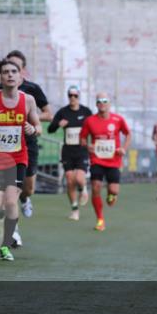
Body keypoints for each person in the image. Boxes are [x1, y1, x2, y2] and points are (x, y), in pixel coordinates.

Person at [0, 59, 41, 262]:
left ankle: (6, 245)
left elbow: (38, 126)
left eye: (13, 71)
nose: (9, 75)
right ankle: (8, 222)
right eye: (5, 72)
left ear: (20, 76)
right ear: (0, 77)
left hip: (18, 158)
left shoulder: (29, 100)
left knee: (11, 201)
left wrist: (33, 129)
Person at [3, 50, 51, 224]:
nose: (11, 72)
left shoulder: (32, 90)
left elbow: (48, 114)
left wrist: (31, 120)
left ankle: (25, 199)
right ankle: (12, 231)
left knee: (28, 188)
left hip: (28, 144)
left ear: (22, 70)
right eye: (8, 68)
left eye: (16, 68)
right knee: (9, 190)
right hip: (5, 146)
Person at [79, 93, 131, 231]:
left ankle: (111, 195)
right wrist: (87, 145)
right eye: (99, 101)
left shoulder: (118, 119)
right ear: (96, 104)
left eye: (105, 101)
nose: (102, 103)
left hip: (114, 160)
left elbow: (128, 134)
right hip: (97, 159)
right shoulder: (89, 121)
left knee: (113, 191)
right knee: (96, 187)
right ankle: (100, 219)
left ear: (109, 103)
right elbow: (82, 138)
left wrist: (123, 148)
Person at [47, 86, 93, 221]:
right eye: (70, 95)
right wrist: (58, 125)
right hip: (68, 150)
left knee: (79, 178)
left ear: (79, 96)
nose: (72, 98)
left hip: (82, 150)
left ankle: (84, 189)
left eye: (75, 95)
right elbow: (50, 129)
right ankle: (74, 209)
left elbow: (94, 127)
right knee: (69, 180)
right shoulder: (63, 112)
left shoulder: (86, 112)